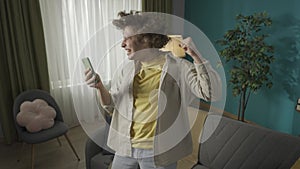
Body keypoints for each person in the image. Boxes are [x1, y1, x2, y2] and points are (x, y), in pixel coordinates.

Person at [85, 11, 221, 169]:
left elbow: (212, 93)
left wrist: (197, 56)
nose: (122, 44)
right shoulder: (127, 70)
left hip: (158, 152)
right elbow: (111, 106)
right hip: (125, 147)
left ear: (146, 38)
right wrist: (100, 86)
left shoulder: (179, 68)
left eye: (127, 38)